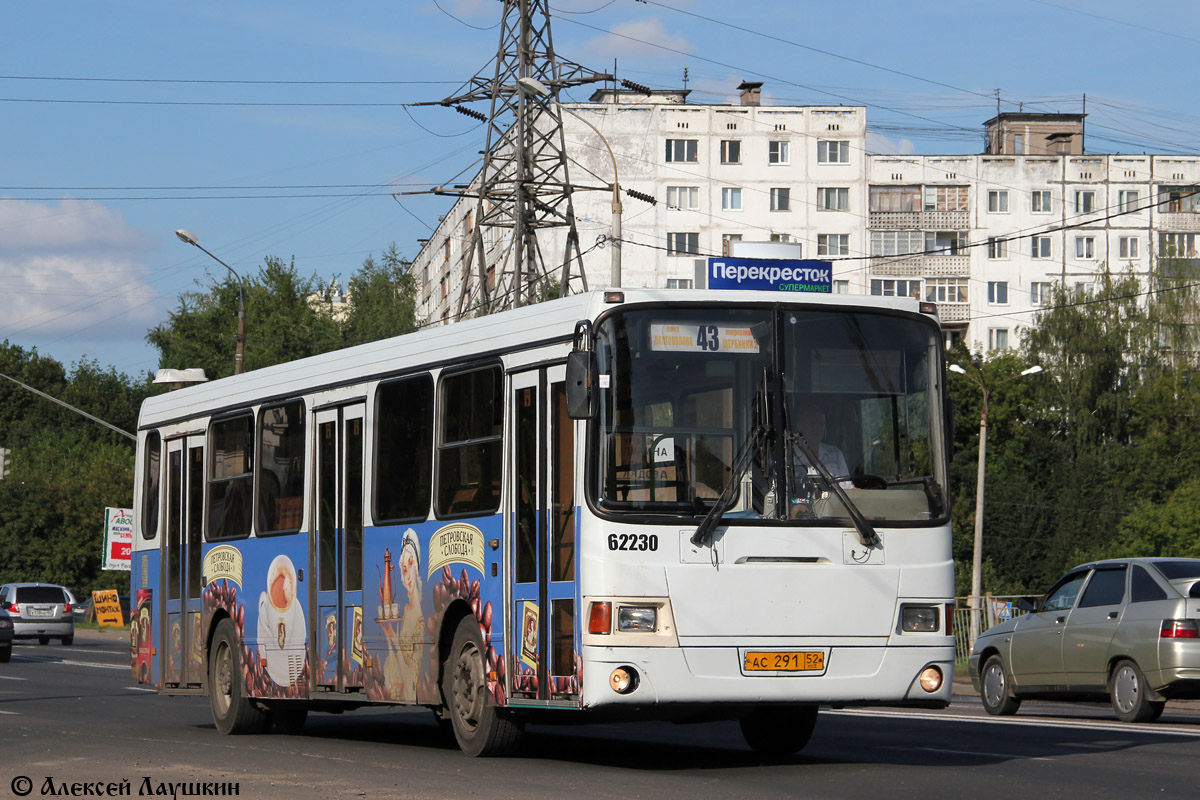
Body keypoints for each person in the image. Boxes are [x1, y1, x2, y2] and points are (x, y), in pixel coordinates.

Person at [792, 402, 851, 485]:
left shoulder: (835, 454)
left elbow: (848, 488)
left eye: (821, 424)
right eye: (812, 424)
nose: (817, 429)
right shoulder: (788, 456)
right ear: (799, 425)